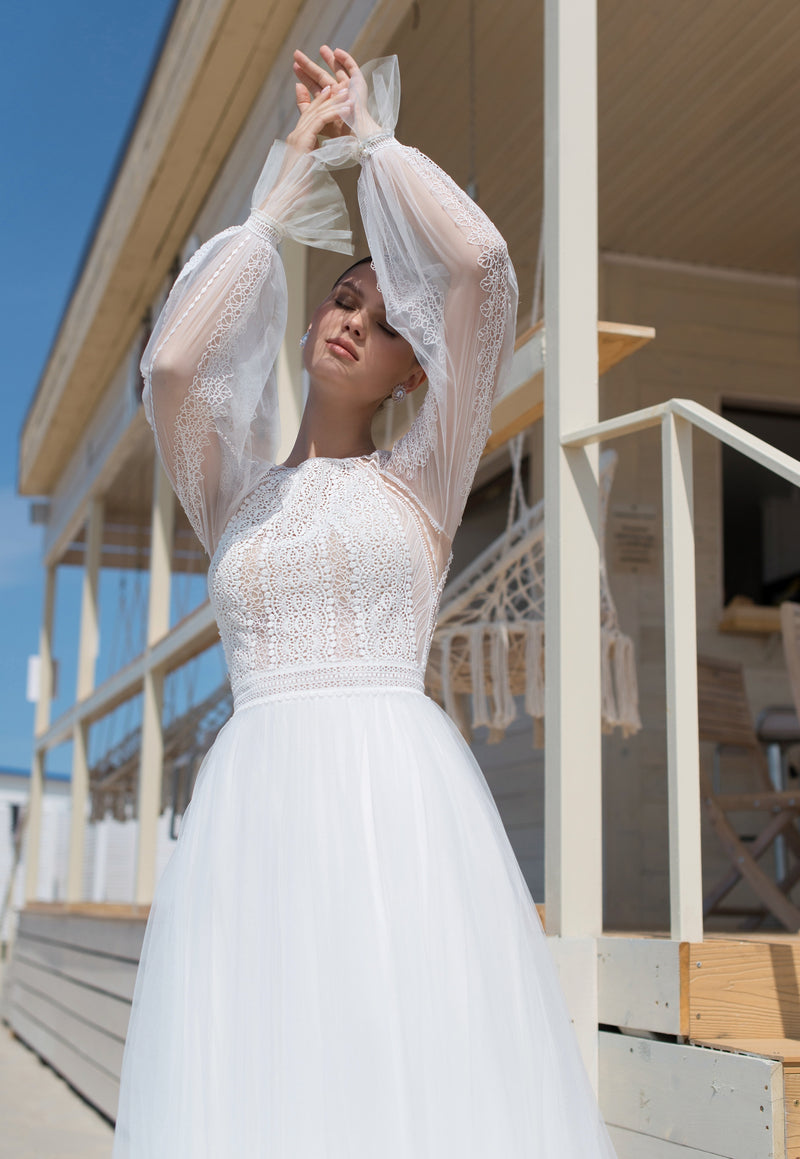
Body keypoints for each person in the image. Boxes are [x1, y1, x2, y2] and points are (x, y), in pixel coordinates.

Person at [111, 45, 618, 1158]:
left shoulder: (423, 482)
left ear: (412, 372)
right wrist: (287, 175)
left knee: (404, 1059)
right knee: (268, 1066)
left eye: (385, 322)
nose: (352, 320)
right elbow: (174, 370)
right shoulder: (228, 488)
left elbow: (480, 265)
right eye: (341, 298)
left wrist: (376, 148)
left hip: (398, 809)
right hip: (258, 816)